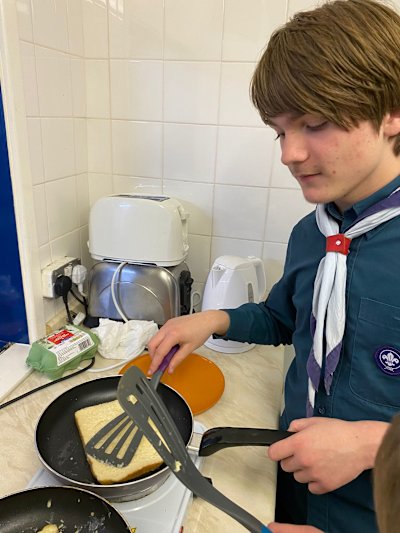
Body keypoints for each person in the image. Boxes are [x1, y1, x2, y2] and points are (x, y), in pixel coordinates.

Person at [147, 1, 400, 531]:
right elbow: (286, 319)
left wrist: (372, 443)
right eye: (280, 131)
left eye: (314, 123)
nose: (289, 154)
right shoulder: (314, 234)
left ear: (391, 112)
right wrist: (213, 320)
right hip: (291, 474)